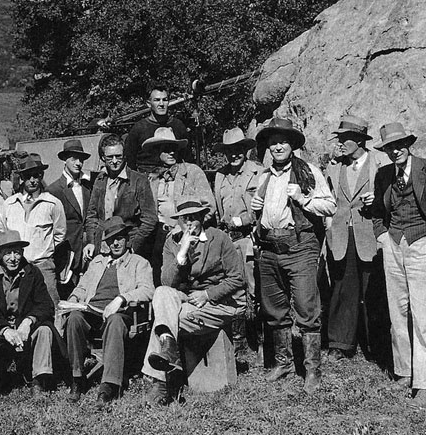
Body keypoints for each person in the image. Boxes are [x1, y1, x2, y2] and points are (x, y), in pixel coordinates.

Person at [251, 117, 336, 394]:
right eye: (273, 141)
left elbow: (330, 206)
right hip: (270, 248)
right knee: (274, 310)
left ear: (292, 145)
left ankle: (312, 369)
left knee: (306, 309)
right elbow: (261, 213)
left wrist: (303, 199)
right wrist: (255, 210)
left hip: (300, 246)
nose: (277, 146)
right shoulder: (263, 176)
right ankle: (284, 362)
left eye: (283, 141)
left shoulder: (308, 171)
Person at [142, 199, 246, 405]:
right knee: (162, 293)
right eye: (184, 219)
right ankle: (170, 351)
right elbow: (167, 282)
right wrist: (181, 254)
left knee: (168, 320)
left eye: (193, 218)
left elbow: (237, 278)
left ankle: (160, 383)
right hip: (186, 299)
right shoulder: (172, 242)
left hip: (220, 303)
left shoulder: (219, 238)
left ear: (202, 218)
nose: (189, 223)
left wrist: (207, 294)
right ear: (178, 221)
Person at [65, 216, 154, 405]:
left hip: (122, 314)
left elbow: (147, 290)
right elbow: (82, 287)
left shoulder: (139, 262)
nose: (115, 243)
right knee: (74, 318)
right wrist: (73, 299)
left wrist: (121, 298)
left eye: (119, 238)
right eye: (111, 239)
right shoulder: (97, 262)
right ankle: (77, 378)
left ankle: (109, 385)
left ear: (127, 239)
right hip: (93, 312)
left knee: (114, 321)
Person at [372, 122, 426, 408]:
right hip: (393, 243)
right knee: (398, 310)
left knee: (423, 313)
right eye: (390, 147)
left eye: (399, 145)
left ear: (408, 144)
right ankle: (404, 371)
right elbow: (377, 211)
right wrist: (381, 234)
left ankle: (424, 381)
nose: (395, 151)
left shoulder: (424, 169)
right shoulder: (383, 175)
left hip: (421, 242)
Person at [0, 230, 56, 410]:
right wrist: (4, 329)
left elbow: (46, 305)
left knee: (44, 330)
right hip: (1, 330)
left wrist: (28, 321)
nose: (13, 258)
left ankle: (38, 382)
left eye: (17, 252)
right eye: (7, 253)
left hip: (25, 328)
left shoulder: (32, 273)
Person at [324, 116, 383, 361]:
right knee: (342, 288)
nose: (340, 142)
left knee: (373, 290)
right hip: (341, 233)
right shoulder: (334, 166)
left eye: (345, 138)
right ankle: (340, 342)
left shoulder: (379, 163)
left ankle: (377, 345)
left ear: (359, 139)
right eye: (339, 138)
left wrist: (376, 198)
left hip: (369, 233)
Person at [213, 127, 264, 361]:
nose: (234, 155)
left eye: (238, 150)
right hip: (227, 239)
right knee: (232, 289)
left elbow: (262, 207)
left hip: (249, 237)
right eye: (229, 151)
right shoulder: (220, 175)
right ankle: (238, 342)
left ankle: (262, 341)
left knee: (254, 289)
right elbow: (216, 209)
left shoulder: (257, 172)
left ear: (246, 149)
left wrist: (241, 220)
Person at [143, 127, 215, 285]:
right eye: (165, 149)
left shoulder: (192, 172)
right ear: (157, 152)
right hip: (160, 235)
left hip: (187, 233)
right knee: (161, 278)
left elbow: (209, 207)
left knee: (185, 279)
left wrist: (186, 229)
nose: (171, 153)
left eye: (173, 149)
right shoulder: (152, 178)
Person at [0, 154, 66, 310]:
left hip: (43, 265)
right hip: (16, 267)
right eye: (28, 176)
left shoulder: (52, 203)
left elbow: (59, 235)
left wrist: (44, 252)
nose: (33, 180)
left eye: (37, 175)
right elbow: (1, 231)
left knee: (51, 307)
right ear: (22, 178)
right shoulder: (9, 204)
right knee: (17, 307)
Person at [83, 133, 157, 261]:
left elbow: (150, 218)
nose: (115, 161)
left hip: (127, 247)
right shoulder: (100, 180)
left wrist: (134, 244)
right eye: (110, 157)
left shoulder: (138, 180)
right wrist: (90, 241)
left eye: (118, 156)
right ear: (102, 158)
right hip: (103, 246)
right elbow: (92, 216)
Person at [47, 139, 93, 285]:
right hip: (66, 253)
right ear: (64, 160)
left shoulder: (88, 187)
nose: (78, 163)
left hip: (87, 252)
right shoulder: (54, 190)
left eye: (81, 159)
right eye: (73, 159)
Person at [124, 83, 189, 174]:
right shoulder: (139, 128)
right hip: (146, 177)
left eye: (165, 100)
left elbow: (186, 156)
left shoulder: (178, 126)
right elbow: (130, 160)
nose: (161, 104)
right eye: (157, 100)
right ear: (149, 103)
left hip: (174, 176)